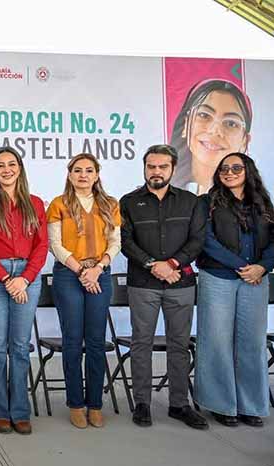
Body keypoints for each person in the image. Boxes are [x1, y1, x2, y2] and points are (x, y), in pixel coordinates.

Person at [120, 144, 208, 430]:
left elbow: (197, 240)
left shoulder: (190, 201)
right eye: (151, 166)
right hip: (143, 283)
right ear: (144, 168)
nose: (156, 171)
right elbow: (125, 242)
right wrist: (152, 265)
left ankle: (179, 404)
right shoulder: (128, 202)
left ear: (173, 168)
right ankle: (142, 403)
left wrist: (170, 264)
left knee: (179, 345)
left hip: (180, 283)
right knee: (141, 343)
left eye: (162, 166)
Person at [0, 146, 48, 434]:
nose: (6, 169)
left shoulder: (35, 203)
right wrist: (6, 278)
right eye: (0, 165)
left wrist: (24, 279)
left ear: (20, 168)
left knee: (20, 346)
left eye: (11, 164)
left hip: (28, 276)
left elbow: (42, 245)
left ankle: (20, 411)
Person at [195, 152, 273, 428]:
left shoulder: (262, 203)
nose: (229, 172)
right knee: (216, 341)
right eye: (224, 168)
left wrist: (262, 267)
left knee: (252, 343)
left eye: (236, 168)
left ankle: (250, 405)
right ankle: (222, 405)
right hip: (218, 277)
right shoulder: (207, 202)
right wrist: (243, 266)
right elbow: (205, 240)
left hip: (256, 280)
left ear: (248, 171)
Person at [46, 153, 120, 429]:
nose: (83, 175)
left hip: (100, 273)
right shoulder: (58, 204)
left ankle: (95, 405)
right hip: (68, 275)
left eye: (89, 170)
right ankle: (76, 404)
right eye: (77, 170)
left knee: (97, 342)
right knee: (73, 340)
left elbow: (115, 242)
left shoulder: (110, 204)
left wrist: (97, 269)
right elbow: (55, 244)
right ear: (70, 175)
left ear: (97, 175)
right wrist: (81, 272)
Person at [170, 79, 252, 194]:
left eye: (231, 123)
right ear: (185, 125)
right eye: (204, 115)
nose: (215, 130)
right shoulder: (162, 191)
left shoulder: (251, 199)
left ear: (244, 141)